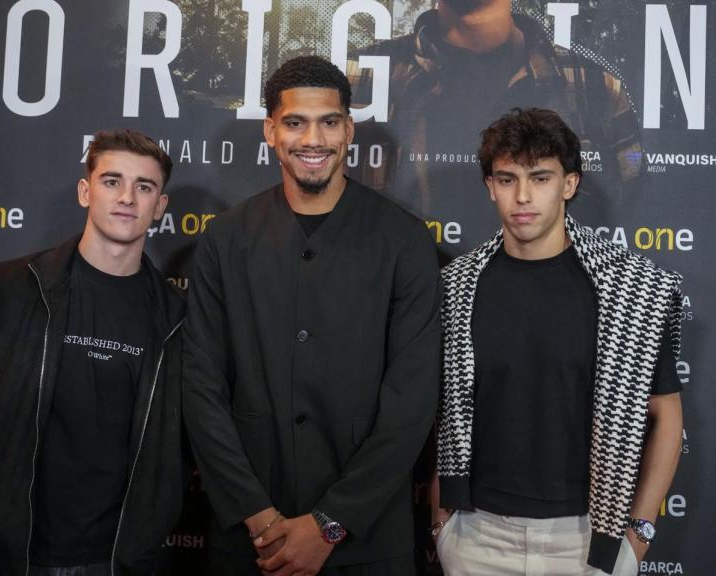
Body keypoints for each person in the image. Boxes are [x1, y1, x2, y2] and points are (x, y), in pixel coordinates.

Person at [182, 55, 441, 575]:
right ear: (270, 131)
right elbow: (200, 387)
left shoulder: (404, 241)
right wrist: (259, 518)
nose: (313, 139)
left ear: (348, 129)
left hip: (366, 543)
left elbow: (411, 403)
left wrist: (330, 523)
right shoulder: (225, 239)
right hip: (251, 541)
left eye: (328, 122)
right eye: (295, 123)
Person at [433, 108, 683, 575]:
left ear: (569, 184)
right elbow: (439, 410)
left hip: (591, 538)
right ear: (490, 186)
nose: (523, 196)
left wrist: (639, 532)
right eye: (507, 180)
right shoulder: (455, 287)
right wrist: (441, 523)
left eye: (540, 178)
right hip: (475, 536)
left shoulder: (633, 289)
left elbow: (666, 415)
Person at [0, 130, 186, 576]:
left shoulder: (176, 318)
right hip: (15, 549)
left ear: (160, 206)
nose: (127, 197)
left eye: (144, 187)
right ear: (85, 191)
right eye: (112, 181)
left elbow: (186, 433)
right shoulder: (13, 288)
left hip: (118, 557)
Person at [351, 0, 642, 216]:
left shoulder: (595, 87)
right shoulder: (357, 77)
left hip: (541, 292)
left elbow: (632, 210)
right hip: (404, 293)